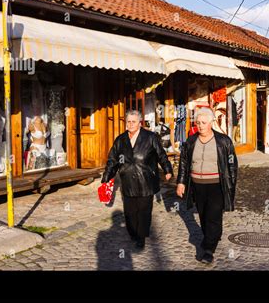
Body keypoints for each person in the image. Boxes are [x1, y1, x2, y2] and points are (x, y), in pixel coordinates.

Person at [101, 110, 172, 249]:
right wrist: (106, 177)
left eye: (133, 121)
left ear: (140, 123)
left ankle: (141, 237)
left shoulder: (150, 137)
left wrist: (167, 169)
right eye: (128, 121)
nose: (130, 124)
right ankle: (133, 232)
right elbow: (112, 160)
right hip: (128, 180)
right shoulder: (120, 140)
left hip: (146, 180)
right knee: (130, 211)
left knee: (144, 210)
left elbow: (161, 155)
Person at [176, 107, 238, 264]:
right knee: (203, 216)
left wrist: (230, 186)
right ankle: (210, 239)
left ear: (211, 122)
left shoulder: (224, 141)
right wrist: (181, 182)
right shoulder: (190, 141)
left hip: (216, 185)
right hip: (197, 186)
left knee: (214, 217)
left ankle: (209, 249)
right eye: (198, 122)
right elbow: (184, 163)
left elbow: (232, 166)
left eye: (203, 122)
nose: (200, 125)